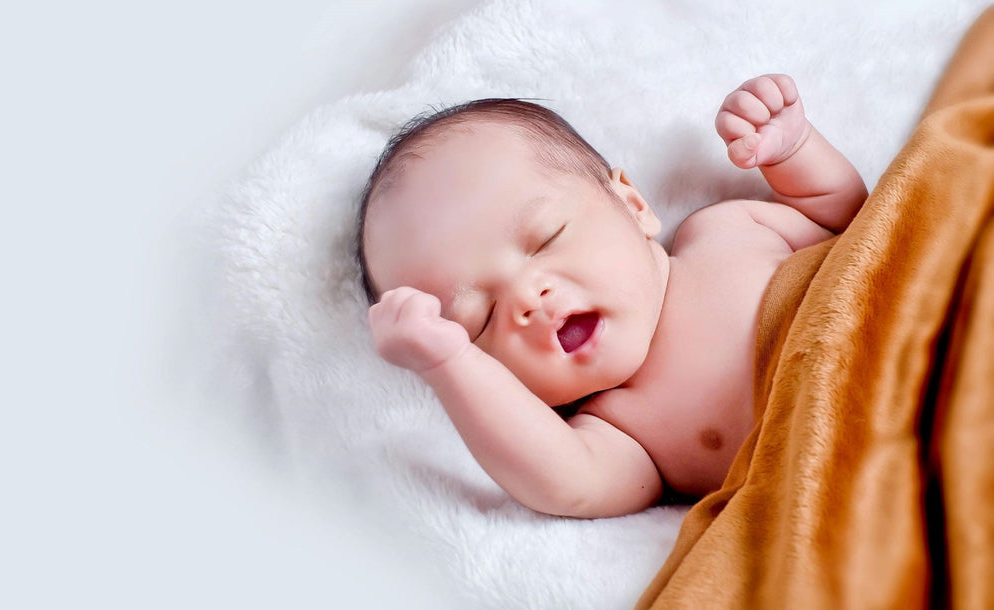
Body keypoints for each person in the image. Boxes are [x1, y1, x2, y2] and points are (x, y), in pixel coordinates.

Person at [355, 74, 868, 518]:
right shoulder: (624, 432)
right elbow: (563, 483)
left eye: (546, 238)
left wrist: (795, 148)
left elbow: (848, 223)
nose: (529, 299)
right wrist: (447, 364)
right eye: (480, 319)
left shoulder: (726, 229)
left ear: (632, 203)